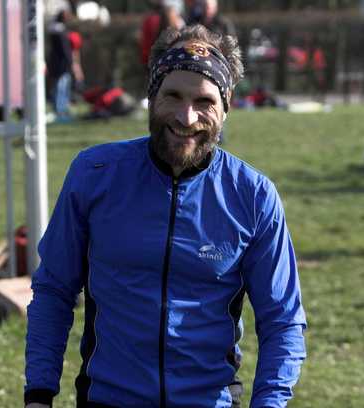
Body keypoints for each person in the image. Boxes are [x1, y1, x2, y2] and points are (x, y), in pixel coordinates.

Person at [24, 25, 307, 408]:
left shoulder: (253, 196)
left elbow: (283, 321)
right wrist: (39, 394)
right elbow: (54, 291)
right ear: (151, 96)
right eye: (173, 95)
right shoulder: (94, 174)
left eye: (204, 101)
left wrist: (269, 402)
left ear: (226, 108)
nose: (186, 117)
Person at [47, 9, 80, 122]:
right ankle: (60, 113)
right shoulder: (60, 33)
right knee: (61, 89)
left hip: (58, 65)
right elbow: (65, 51)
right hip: (61, 66)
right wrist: (71, 63)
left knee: (61, 89)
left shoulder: (56, 31)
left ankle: (61, 111)